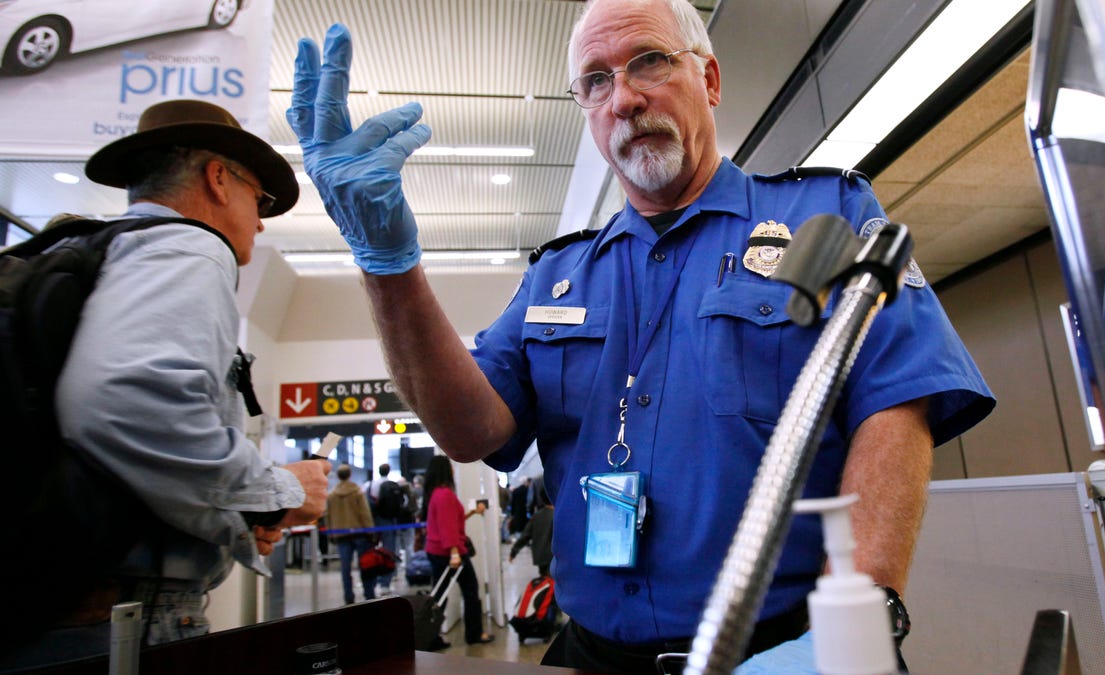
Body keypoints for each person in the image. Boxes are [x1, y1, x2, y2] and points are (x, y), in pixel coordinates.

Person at [288, 1, 995, 670]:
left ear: (709, 79)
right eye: (596, 82)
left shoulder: (826, 216)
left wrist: (860, 621)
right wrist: (388, 267)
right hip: (593, 653)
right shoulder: (557, 277)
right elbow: (472, 432)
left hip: (785, 648)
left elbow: (897, 399)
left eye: (650, 62)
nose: (624, 98)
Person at [2, 99, 329, 670]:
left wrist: (242, 517)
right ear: (219, 178)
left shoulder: (91, 251)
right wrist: (279, 489)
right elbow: (128, 402)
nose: (259, 221)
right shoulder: (190, 246)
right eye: (261, 198)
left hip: (43, 602)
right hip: (127, 617)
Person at [421, 455, 494, 645]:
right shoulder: (445, 494)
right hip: (449, 553)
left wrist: (472, 512)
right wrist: (454, 552)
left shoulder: (435, 494)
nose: (453, 469)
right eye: (451, 466)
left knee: (439, 595)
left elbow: (453, 520)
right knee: (470, 592)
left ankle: (430, 636)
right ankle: (474, 634)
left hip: (437, 551)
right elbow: (448, 527)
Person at [327, 464, 377, 604]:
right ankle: (369, 594)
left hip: (341, 535)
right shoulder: (357, 492)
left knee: (345, 568)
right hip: (360, 534)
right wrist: (371, 531)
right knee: (365, 565)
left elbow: (327, 515)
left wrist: (331, 533)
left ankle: (348, 597)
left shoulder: (331, 495)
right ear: (350, 475)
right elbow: (364, 513)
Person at [365, 463, 400, 594]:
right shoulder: (393, 484)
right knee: (389, 549)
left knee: (372, 551)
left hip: (376, 521)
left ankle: (373, 582)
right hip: (390, 520)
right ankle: (387, 580)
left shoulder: (372, 484)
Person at [510, 485, 554, 577]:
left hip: (541, 557)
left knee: (545, 583)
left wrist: (514, 551)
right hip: (555, 558)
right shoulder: (558, 516)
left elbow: (525, 536)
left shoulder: (536, 516)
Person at [508, 475, 531, 540]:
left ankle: (519, 540)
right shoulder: (528, 490)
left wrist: (512, 513)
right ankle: (526, 540)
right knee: (526, 526)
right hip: (526, 511)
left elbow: (512, 503)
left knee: (519, 527)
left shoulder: (516, 491)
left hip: (517, 512)